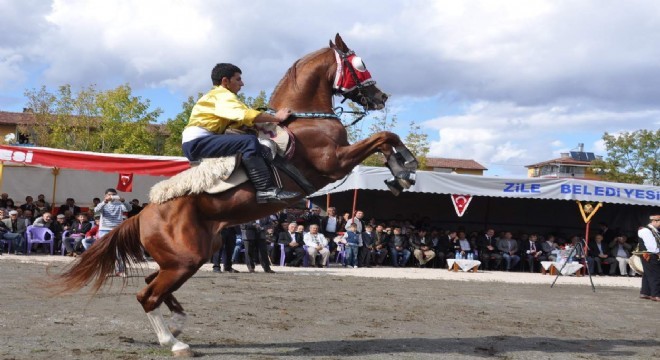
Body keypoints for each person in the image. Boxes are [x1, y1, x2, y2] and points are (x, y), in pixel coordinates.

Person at [181, 63, 299, 204]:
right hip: (197, 143)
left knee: (248, 140)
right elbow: (246, 115)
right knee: (248, 142)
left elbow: (243, 119)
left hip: (201, 141)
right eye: (238, 79)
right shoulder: (221, 95)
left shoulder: (219, 97)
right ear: (225, 81)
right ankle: (265, 190)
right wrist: (277, 118)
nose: (242, 84)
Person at [94, 188, 132, 277]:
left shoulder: (119, 204)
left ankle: (120, 270)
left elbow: (129, 209)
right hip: (104, 230)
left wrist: (124, 201)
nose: (111, 196)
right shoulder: (103, 204)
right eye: (110, 194)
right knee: (106, 251)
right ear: (106, 195)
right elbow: (96, 210)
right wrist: (104, 202)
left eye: (114, 194)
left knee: (119, 251)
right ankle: (107, 270)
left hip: (117, 229)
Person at [637, 214, 660, 301]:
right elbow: (652, 247)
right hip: (650, 255)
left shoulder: (654, 230)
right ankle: (655, 295)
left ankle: (645, 292)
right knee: (656, 275)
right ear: (655, 221)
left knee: (647, 274)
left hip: (650, 255)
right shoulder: (646, 230)